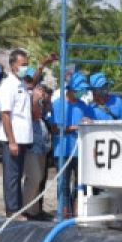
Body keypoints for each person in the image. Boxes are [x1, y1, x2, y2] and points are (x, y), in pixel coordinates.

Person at [0, 48, 33, 216]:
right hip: (12, 139)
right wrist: (11, 140)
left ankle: (17, 208)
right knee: (11, 176)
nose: (26, 67)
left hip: (23, 138)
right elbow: (6, 114)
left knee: (18, 175)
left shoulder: (22, 84)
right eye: (23, 65)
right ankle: (11, 210)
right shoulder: (8, 85)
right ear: (13, 66)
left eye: (27, 64)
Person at [52, 73, 88, 216]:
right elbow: (54, 128)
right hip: (62, 150)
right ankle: (63, 212)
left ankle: (77, 212)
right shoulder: (58, 104)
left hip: (80, 151)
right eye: (79, 90)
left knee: (79, 183)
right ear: (71, 89)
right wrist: (72, 128)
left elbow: (90, 121)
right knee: (63, 184)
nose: (81, 93)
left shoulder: (83, 105)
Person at [23, 80, 53, 219]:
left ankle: (35, 210)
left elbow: (45, 111)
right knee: (33, 178)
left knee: (39, 179)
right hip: (32, 147)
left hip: (42, 148)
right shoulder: (28, 98)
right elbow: (34, 111)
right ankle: (28, 210)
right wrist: (36, 98)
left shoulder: (41, 101)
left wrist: (46, 100)